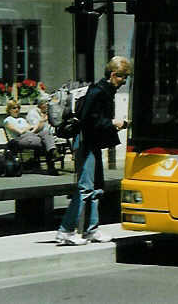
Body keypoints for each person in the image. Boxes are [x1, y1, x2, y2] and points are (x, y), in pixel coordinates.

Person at [56, 56, 132, 246]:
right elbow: (89, 121)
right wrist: (114, 123)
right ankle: (65, 231)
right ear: (114, 75)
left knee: (97, 188)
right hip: (86, 143)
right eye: (123, 77)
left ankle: (91, 230)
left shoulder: (104, 91)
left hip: (92, 144)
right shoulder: (98, 92)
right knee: (85, 188)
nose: (124, 81)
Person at [3, 98, 61, 175]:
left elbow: (33, 130)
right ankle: (52, 162)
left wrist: (41, 122)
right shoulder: (8, 120)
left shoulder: (22, 119)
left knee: (46, 132)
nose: (17, 110)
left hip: (31, 136)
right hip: (18, 139)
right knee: (46, 142)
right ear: (9, 109)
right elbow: (19, 131)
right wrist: (28, 128)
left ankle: (52, 152)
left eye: (18, 108)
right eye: (14, 108)